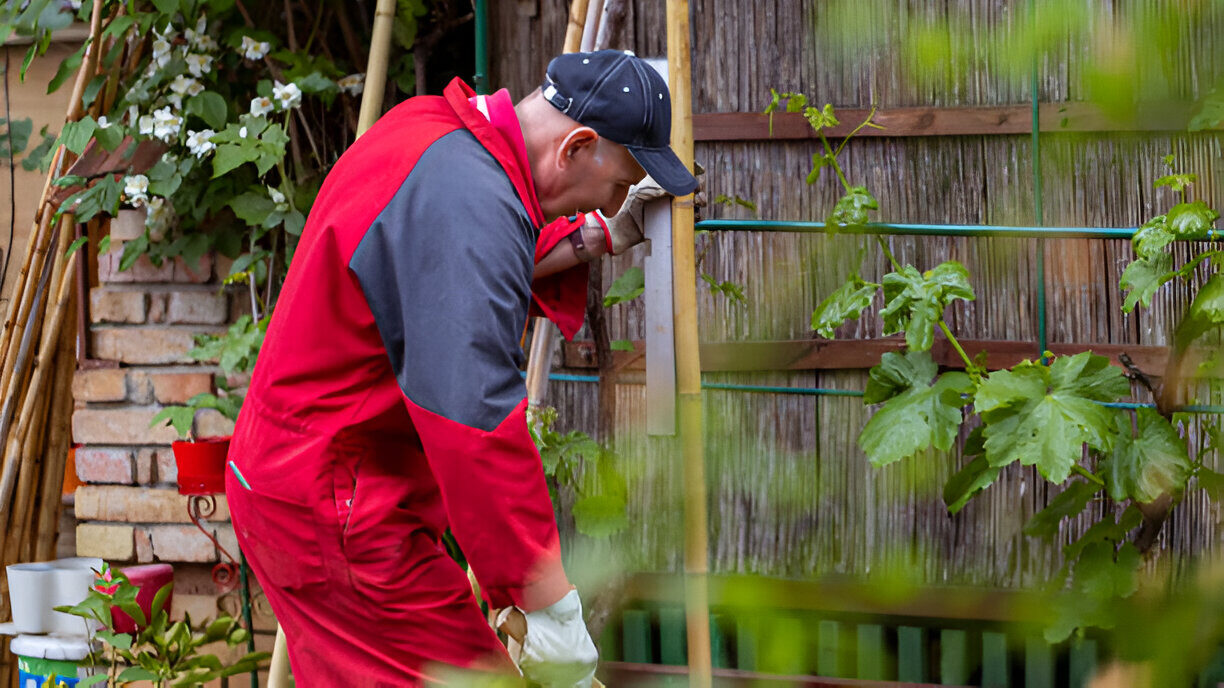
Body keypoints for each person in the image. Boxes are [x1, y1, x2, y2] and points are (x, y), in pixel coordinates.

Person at [224, 49, 697, 687]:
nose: (617, 197)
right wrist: (547, 602)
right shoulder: (468, 201)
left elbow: (452, 261)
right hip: (338, 508)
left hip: (302, 478)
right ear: (576, 146)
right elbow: (474, 420)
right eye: (619, 183)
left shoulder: (435, 135)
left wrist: (596, 234)